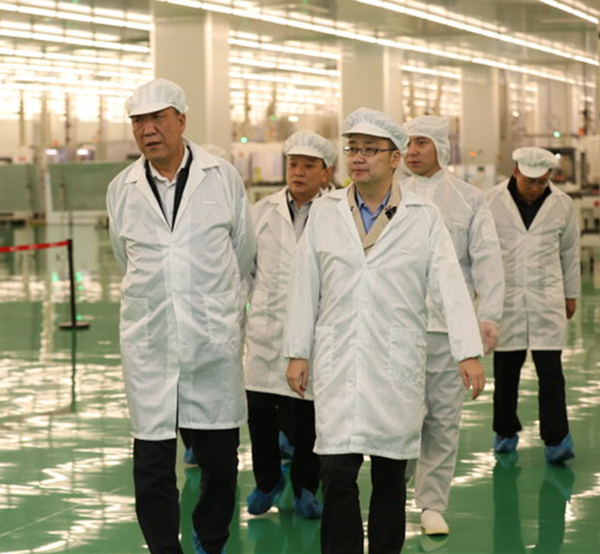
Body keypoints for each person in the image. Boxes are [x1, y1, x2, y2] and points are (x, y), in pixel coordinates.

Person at [284, 107, 485, 554]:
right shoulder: (326, 212)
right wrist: (297, 351)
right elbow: (304, 284)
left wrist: (467, 351)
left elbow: (450, 284)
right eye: (353, 148)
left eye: (370, 150)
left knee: (390, 474)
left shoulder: (423, 215)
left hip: (396, 361)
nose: (358, 157)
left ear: (395, 159)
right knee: (336, 472)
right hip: (339, 359)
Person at [106, 78, 255, 554]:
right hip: (150, 343)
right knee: (151, 463)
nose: (148, 130)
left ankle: (210, 539)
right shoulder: (121, 189)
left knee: (219, 462)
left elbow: (242, 252)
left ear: (182, 120)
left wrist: (212, 305)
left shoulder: (222, 178)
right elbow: (123, 258)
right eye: (138, 121)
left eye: (158, 118)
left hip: (210, 341)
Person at [401, 115, 505, 536]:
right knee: (399, 414)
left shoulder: (468, 200)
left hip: (448, 327)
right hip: (398, 324)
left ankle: (431, 503)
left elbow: (487, 259)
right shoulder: (390, 194)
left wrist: (488, 315)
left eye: (421, 143)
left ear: (441, 148)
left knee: (443, 418)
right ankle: (396, 483)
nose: (411, 151)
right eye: (407, 143)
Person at [244, 130, 336, 519]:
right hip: (265, 330)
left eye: (308, 166)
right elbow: (245, 270)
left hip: (315, 331)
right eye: (293, 164)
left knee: (308, 416)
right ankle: (267, 481)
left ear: (326, 172)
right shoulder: (261, 212)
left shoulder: (338, 214)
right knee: (259, 409)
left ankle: (305, 486)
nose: (298, 172)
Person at [486, 147, 580, 464]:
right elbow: (481, 252)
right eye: (530, 181)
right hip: (506, 298)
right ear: (516, 172)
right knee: (506, 372)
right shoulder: (491, 201)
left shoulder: (563, 204)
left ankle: (556, 439)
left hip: (546, 298)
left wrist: (570, 294)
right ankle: (505, 431)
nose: (536, 188)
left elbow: (569, 253)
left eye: (542, 182)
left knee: (551, 373)